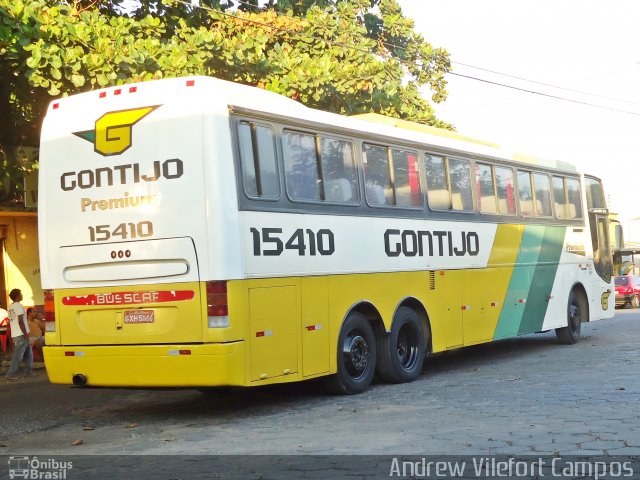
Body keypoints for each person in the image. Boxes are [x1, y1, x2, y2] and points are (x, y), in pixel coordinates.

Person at [5, 288, 34, 381]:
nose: (22, 295)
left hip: (16, 333)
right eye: (21, 294)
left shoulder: (10, 307)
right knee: (18, 355)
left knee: (29, 353)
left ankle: (28, 371)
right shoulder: (19, 306)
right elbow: (20, 321)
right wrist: (25, 334)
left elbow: (11, 321)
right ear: (18, 296)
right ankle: (10, 374)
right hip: (21, 334)